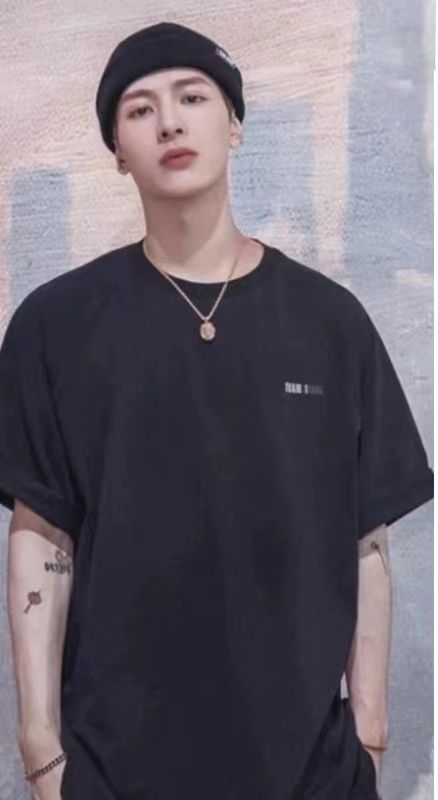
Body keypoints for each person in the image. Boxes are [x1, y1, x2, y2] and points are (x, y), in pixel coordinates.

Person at [1, 21, 433, 800]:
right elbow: (42, 538)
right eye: (140, 109)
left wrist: (369, 734)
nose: (169, 121)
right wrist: (41, 750)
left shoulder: (330, 323)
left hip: (309, 773)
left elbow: (366, 539)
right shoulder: (55, 326)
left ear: (234, 124)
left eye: (192, 97)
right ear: (116, 150)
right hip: (115, 772)